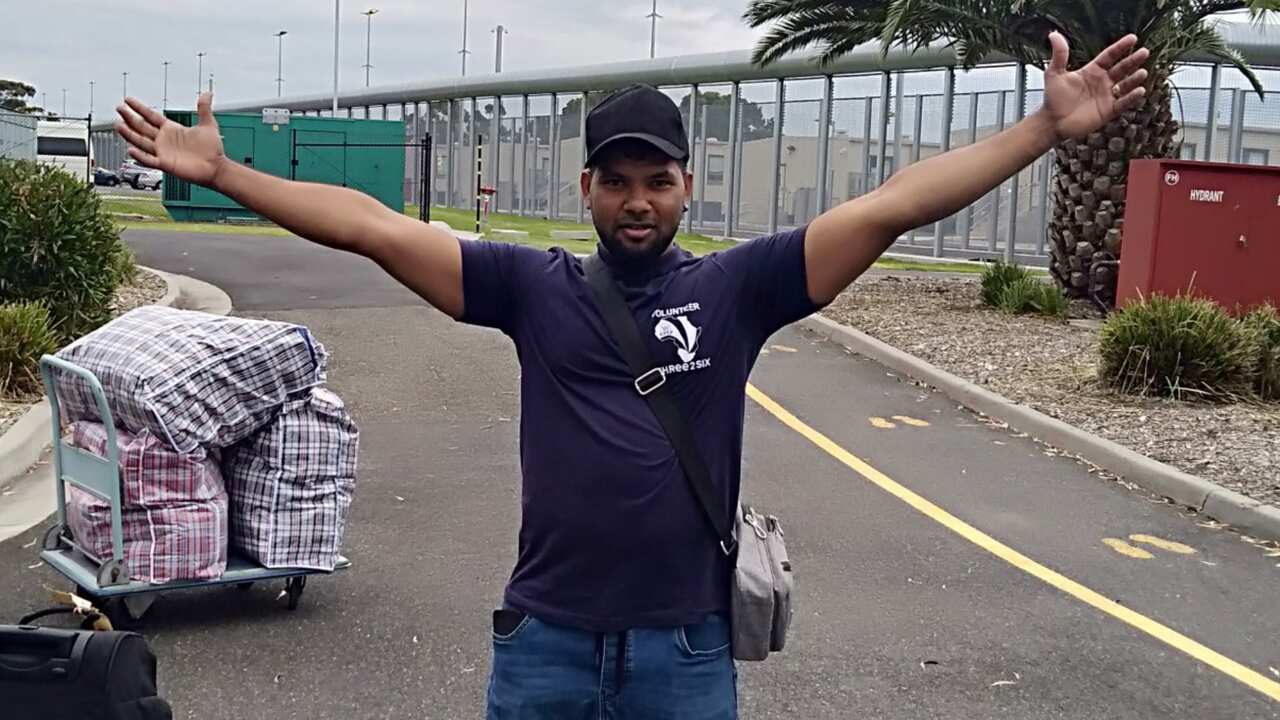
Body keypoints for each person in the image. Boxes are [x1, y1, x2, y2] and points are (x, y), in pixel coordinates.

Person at [115, 31, 1151, 719]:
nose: (638, 200)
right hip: (546, 644)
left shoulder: (739, 290)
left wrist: (1041, 130)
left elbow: (891, 204)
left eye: (657, 179)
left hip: (683, 653)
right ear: (588, 188)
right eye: (617, 181)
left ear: (686, 185)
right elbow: (375, 228)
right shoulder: (530, 288)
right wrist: (226, 173)